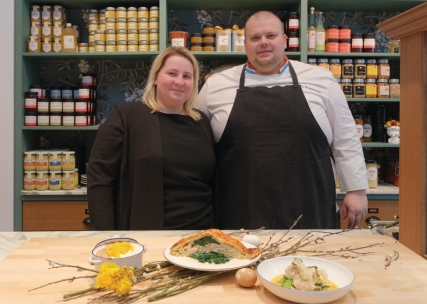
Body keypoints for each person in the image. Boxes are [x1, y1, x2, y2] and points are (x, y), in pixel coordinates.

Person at [197, 11, 368, 230]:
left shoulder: (320, 79)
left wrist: (356, 190)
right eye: (255, 38)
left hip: (309, 207)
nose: (263, 43)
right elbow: (196, 144)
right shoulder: (216, 85)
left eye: (271, 35)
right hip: (238, 211)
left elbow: (346, 139)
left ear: (284, 40)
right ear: (245, 43)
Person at [88, 46, 215, 230]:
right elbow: (99, 178)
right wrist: (105, 235)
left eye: (187, 76)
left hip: (201, 234)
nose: (179, 82)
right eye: (172, 73)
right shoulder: (127, 116)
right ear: (155, 77)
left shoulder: (201, 121)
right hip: (149, 235)